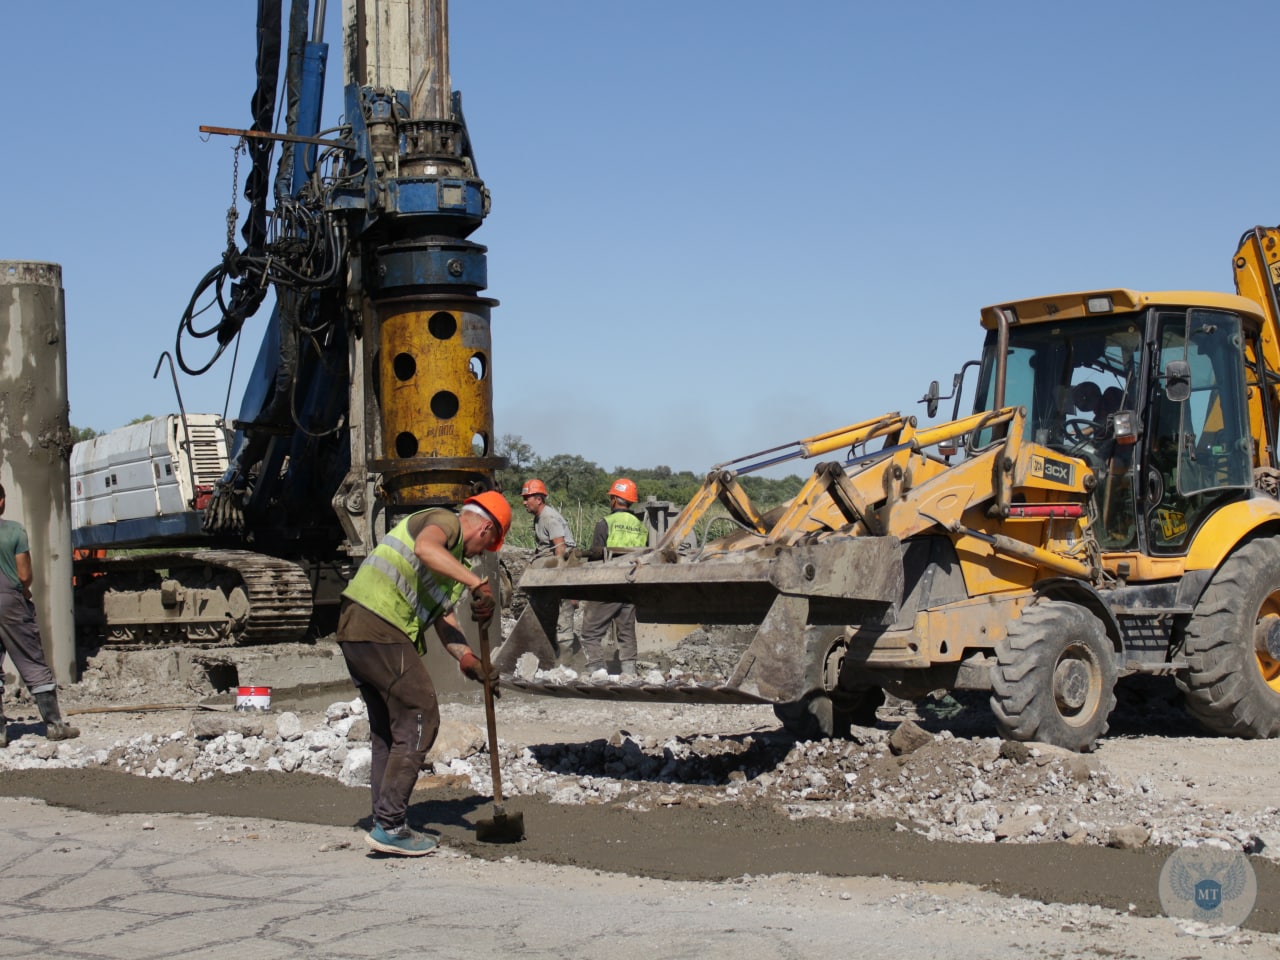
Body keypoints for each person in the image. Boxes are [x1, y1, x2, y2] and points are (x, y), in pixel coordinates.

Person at [338, 490, 511, 856]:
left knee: (390, 731)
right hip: (379, 623)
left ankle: (384, 820)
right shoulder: (444, 522)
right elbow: (425, 549)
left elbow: (443, 620)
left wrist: (471, 663)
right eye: (488, 545)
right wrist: (476, 583)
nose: (481, 554)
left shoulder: (446, 568)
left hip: (358, 628)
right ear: (485, 528)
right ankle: (392, 825)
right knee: (421, 714)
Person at [0, 483, 79, 748]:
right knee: (32, 662)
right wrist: (22, 591)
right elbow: (24, 575)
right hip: (10, 603)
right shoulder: (13, 531)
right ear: (1, 502)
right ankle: (55, 726)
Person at [579, 477, 648, 677]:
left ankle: (597, 672)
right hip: (630, 584)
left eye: (612, 497)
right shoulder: (640, 526)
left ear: (616, 499)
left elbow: (595, 557)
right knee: (626, 632)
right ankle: (629, 673)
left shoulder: (605, 523)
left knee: (591, 632)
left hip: (608, 584)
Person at [520, 478, 577, 646]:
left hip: (560, 571)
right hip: (550, 572)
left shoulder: (549, 518)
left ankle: (566, 659)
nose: (524, 503)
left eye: (527, 498)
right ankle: (551, 649)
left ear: (538, 499)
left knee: (563, 615)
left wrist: (564, 584)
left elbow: (561, 550)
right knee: (548, 613)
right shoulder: (539, 517)